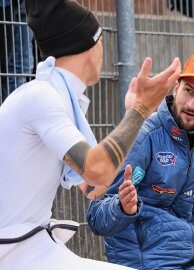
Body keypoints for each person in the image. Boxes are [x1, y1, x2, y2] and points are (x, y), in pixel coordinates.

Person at [0, 0, 181, 269]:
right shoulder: (42, 97)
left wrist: (132, 112)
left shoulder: (54, 96)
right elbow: (97, 171)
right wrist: (140, 110)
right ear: (90, 45)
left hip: (27, 247)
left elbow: (96, 187)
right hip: (13, 249)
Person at [87, 52, 194, 270]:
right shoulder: (143, 136)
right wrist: (122, 207)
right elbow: (96, 217)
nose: (192, 103)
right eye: (188, 90)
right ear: (176, 88)